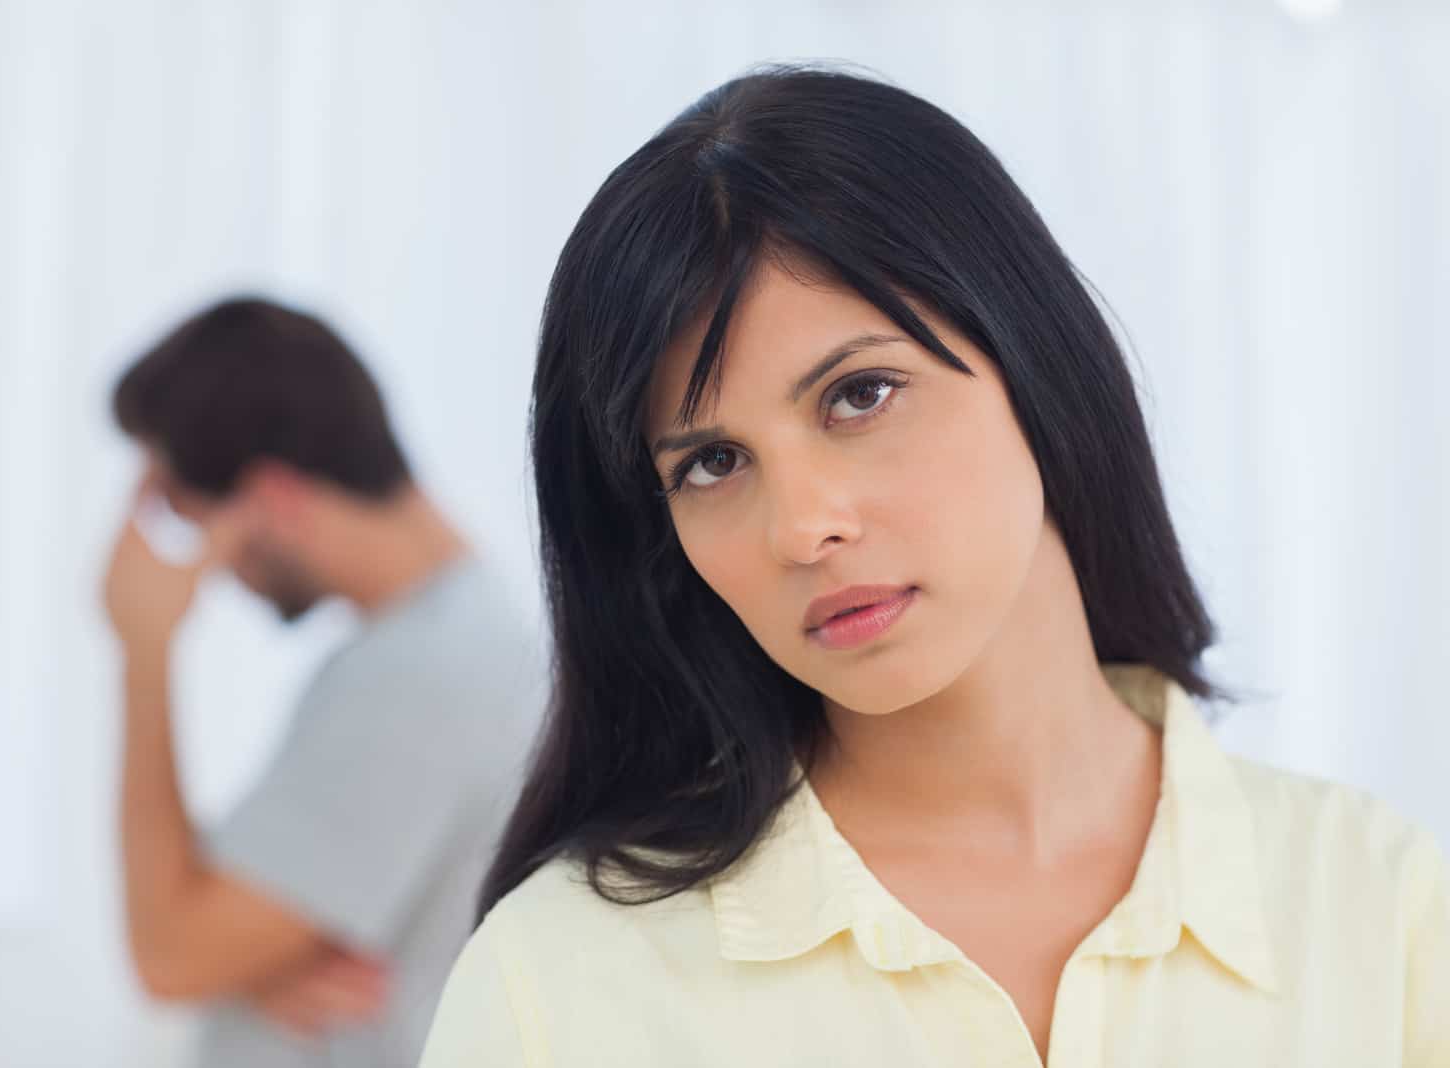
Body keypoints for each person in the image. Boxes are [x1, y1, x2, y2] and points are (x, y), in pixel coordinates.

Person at [418, 67, 1449, 1067]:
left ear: (1037, 362)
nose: (802, 527)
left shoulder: (1380, 912)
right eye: (713, 463)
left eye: (859, 395)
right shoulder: (560, 985)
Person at [101, 297, 540, 1067]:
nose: (208, 566)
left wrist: (145, 649)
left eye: (187, 517)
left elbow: (169, 954)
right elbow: (206, 910)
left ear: (270, 498)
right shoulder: (439, 645)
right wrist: (251, 960)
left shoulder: (421, 677)